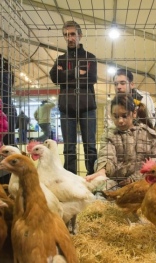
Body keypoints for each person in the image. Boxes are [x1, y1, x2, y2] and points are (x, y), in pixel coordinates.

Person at [49, 20, 97, 175]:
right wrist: (76, 72)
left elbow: (91, 78)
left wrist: (65, 74)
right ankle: (70, 179)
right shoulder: (61, 59)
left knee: (89, 145)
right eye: (66, 35)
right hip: (66, 108)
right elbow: (54, 77)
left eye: (72, 34)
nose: (69, 38)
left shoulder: (90, 57)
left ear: (80, 35)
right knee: (69, 147)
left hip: (87, 107)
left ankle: (92, 178)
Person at [86, 93, 156, 187]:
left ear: (134, 113)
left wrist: (135, 179)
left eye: (124, 116)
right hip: (115, 184)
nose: (120, 121)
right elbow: (106, 155)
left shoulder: (150, 135)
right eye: (116, 116)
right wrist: (102, 170)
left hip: (143, 183)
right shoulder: (109, 135)